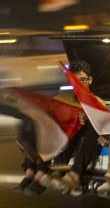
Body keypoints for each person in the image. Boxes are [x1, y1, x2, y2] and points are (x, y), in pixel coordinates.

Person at [15, 61, 92, 196]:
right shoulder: (65, 97)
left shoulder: (95, 101)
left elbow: (102, 118)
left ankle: (40, 173)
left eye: (83, 80)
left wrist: (86, 116)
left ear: (90, 80)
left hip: (75, 133)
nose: (79, 84)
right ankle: (30, 172)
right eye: (75, 81)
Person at [56, 73, 110, 196]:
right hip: (97, 142)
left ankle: (74, 174)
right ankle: (64, 173)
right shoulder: (108, 108)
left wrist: (109, 137)